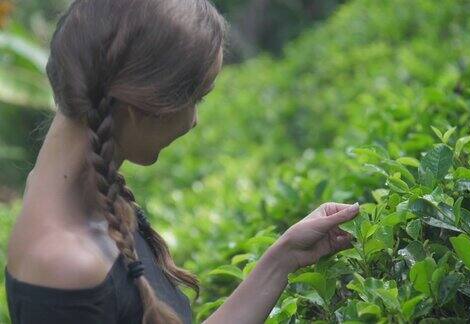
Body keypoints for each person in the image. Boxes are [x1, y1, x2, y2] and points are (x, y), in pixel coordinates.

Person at [3, 0, 360, 323]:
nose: (193, 121)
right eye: (197, 99)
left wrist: (283, 259)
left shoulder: (80, 195)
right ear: (139, 108)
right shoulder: (63, 266)